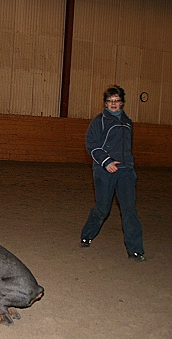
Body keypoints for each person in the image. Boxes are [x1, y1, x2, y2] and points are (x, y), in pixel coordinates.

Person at [80, 85, 146, 262]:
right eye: (110, 101)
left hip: (125, 172)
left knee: (129, 210)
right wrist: (106, 161)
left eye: (117, 101)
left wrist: (130, 166)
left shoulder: (127, 122)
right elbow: (91, 144)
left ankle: (135, 250)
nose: (113, 104)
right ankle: (87, 235)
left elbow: (126, 147)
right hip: (105, 171)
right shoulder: (99, 121)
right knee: (103, 210)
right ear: (106, 103)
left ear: (122, 102)